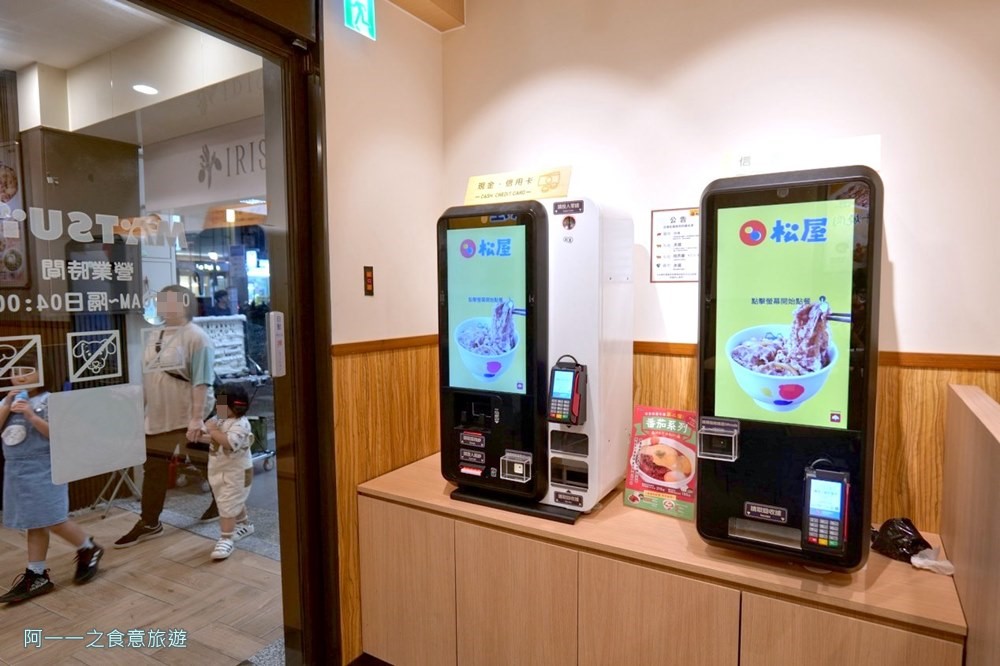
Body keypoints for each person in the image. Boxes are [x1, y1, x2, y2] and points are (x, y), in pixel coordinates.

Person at [115, 285, 217, 548]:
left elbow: (202, 380)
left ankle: (224, 502)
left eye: (171, 301)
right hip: (159, 416)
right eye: (162, 302)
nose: (165, 307)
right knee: (154, 469)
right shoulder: (155, 334)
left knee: (203, 462)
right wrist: (140, 411)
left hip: (188, 414)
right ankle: (150, 522)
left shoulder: (197, 337)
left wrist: (196, 418)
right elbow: (149, 376)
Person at [0, 353, 104, 603]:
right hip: (16, 471)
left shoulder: (50, 401)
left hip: (45, 467)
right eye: (15, 371)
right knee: (33, 522)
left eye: (27, 370)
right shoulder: (7, 401)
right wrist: (7, 405)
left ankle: (88, 547)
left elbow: (59, 435)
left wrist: (31, 416)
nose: (21, 376)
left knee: (54, 519)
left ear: (42, 373)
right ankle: (37, 574)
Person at [202, 383, 255, 560]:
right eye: (218, 402)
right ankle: (244, 524)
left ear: (236, 406)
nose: (218, 407)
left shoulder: (241, 424)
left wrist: (212, 429)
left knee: (227, 503)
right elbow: (214, 437)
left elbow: (228, 442)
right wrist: (199, 434)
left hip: (236, 474)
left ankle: (226, 538)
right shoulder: (221, 420)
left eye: (222, 404)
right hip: (219, 471)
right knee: (230, 499)